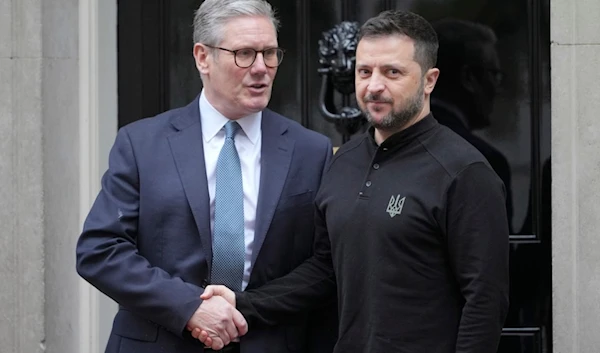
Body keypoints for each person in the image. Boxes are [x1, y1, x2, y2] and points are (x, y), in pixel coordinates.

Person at [197, 10, 510, 353]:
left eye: (393, 72)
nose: (374, 86)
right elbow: (324, 270)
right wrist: (243, 303)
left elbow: (484, 301)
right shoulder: (343, 161)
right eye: (364, 71)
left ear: (429, 80)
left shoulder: (465, 172)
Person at [75, 0, 336, 352]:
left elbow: (323, 267)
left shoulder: (311, 151)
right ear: (202, 57)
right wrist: (190, 308)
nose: (261, 68)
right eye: (244, 53)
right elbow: (100, 250)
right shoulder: (141, 143)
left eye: (270, 53)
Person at [430, 18, 514, 232]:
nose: (498, 88)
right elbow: (495, 260)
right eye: (494, 74)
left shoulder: (387, 147)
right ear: (469, 78)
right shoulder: (483, 161)